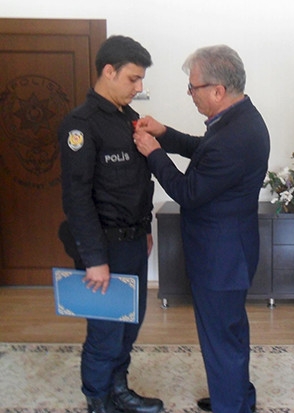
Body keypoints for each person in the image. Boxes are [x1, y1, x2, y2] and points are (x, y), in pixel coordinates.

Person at [133, 45, 270, 413]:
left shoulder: (235, 135)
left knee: (221, 337)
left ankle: (231, 405)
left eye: (193, 87)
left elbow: (188, 193)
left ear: (217, 90)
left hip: (221, 258)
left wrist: (153, 152)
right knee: (229, 331)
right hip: (229, 251)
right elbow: (202, 149)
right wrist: (164, 134)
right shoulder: (238, 118)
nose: (190, 93)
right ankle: (237, 395)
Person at [57, 35, 163, 413]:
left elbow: (137, 183)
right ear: (109, 71)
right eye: (134, 78)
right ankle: (98, 399)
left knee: (130, 323)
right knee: (105, 330)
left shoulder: (130, 120)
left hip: (133, 242)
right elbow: (77, 198)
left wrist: (145, 229)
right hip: (103, 247)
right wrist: (94, 259)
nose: (139, 86)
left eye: (141, 79)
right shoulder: (80, 125)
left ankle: (119, 389)